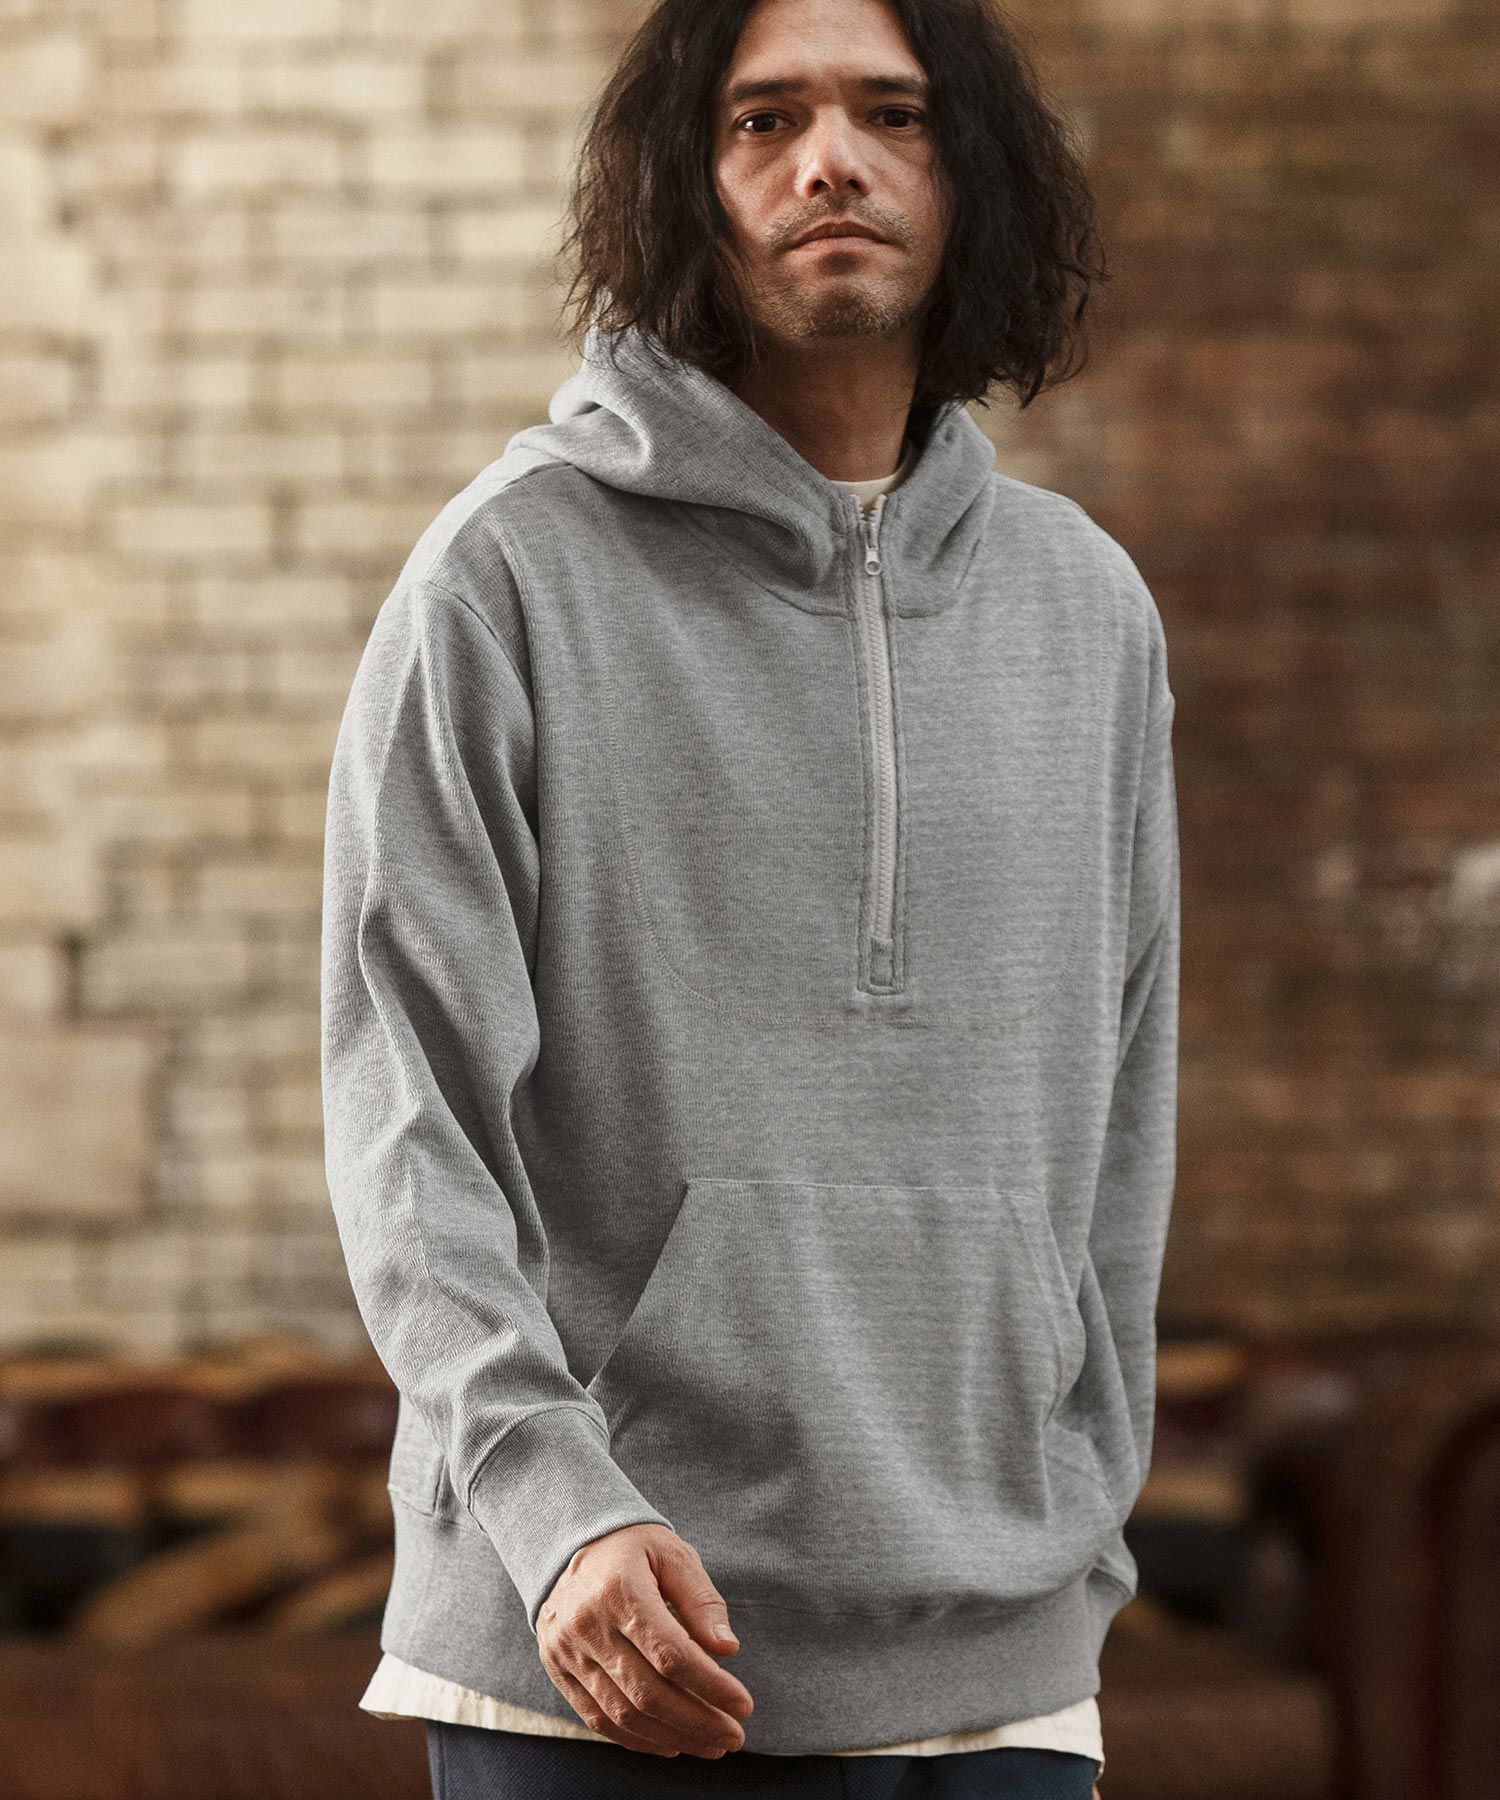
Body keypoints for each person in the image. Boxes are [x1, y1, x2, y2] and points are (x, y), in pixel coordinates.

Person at [320, 0, 1179, 1792]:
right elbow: (407, 1111)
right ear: (682, 183)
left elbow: (1123, 1106)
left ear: (971, 172)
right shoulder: (505, 578)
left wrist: (1088, 1491)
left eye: (893, 115)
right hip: (607, 1644)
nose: (831, 163)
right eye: (764, 119)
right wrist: (550, 1506)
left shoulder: (1087, 610)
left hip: (1006, 1662)